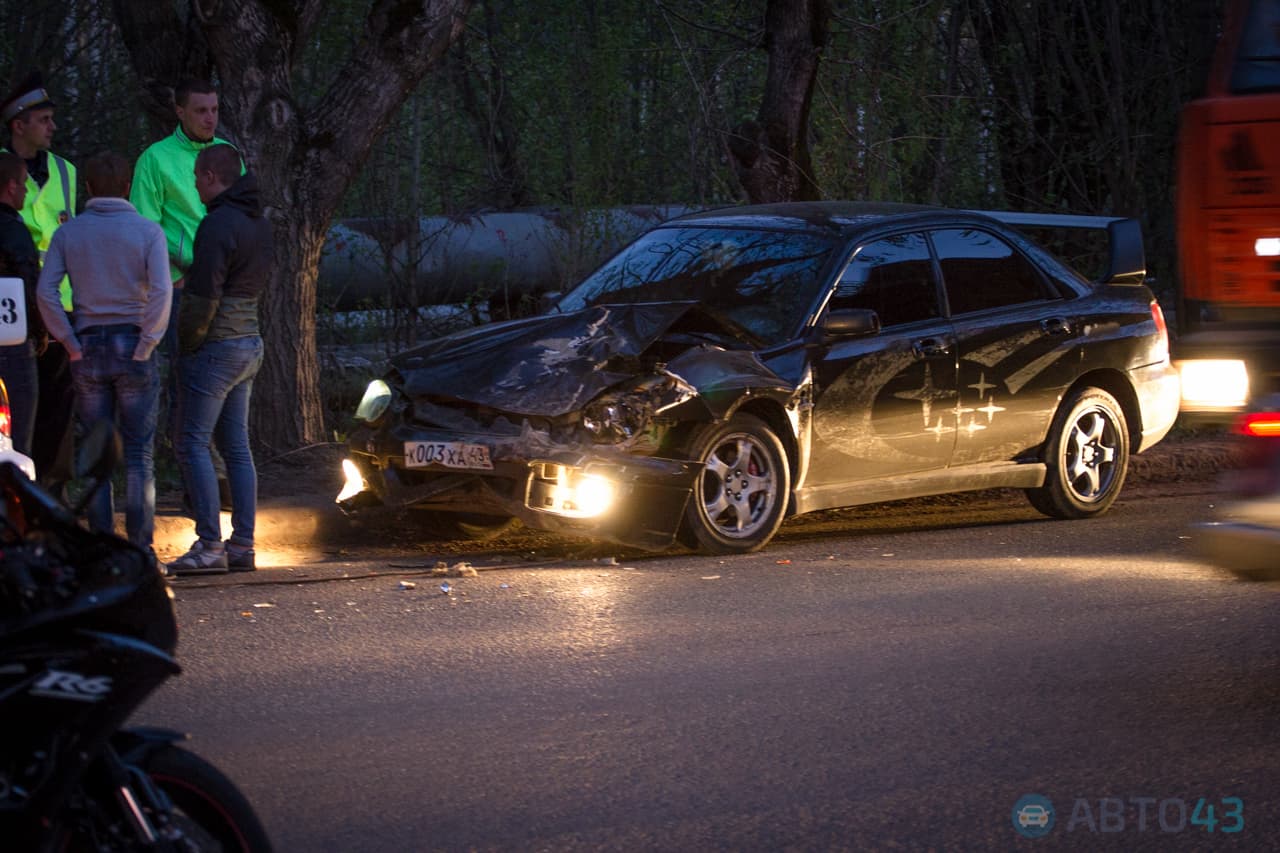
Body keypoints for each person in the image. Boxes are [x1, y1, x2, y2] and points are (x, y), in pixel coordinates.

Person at [35, 151, 171, 551]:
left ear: (88, 188)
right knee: (138, 456)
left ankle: (101, 548)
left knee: (97, 456)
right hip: (134, 345)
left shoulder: (68, 234)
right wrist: (148, 341)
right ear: (127, 186)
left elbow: (46, 292)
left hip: (88, 346)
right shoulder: (148, 232)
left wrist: (69, 341)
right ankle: (141, 551)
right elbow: (162, 290)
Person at [168, 143, 271, 575]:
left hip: (217, 348)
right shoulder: (259, 223)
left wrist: (186, 344)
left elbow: (203, 297)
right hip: (250, 343)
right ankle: (242, 545)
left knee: (191, 442)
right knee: (237, 447)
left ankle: (209, 544)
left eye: (196, 176)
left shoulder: (217, 225)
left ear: (211, 177)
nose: (193, 183)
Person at [131, 78, 234, 503]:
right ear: (179, 111)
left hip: (226, 287)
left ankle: (220, 476)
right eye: (200, 110)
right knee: (187, 384)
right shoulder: (156, 159)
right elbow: (145, 226)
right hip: (184, 289)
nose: (209, 117)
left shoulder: (229, 155)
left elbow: (242, 213)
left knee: (223, 383)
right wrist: (169, 276)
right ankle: (201, 482)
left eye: (213, 109)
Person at [1, 71, 76, 489]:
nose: (53, 127)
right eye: (44, 119)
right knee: (16, 406)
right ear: (19, 126)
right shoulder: (2, 168)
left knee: (59, 405)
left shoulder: (66, 171)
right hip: (12, 310)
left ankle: (54, 494)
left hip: (61, 305)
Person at [0, 151, 45, 455]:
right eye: (24, 185)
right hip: (13, 343)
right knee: (17, 442)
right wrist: (41, 329)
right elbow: (30, 283)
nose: (28, 191)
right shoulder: (14, 230)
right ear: (12, 187)